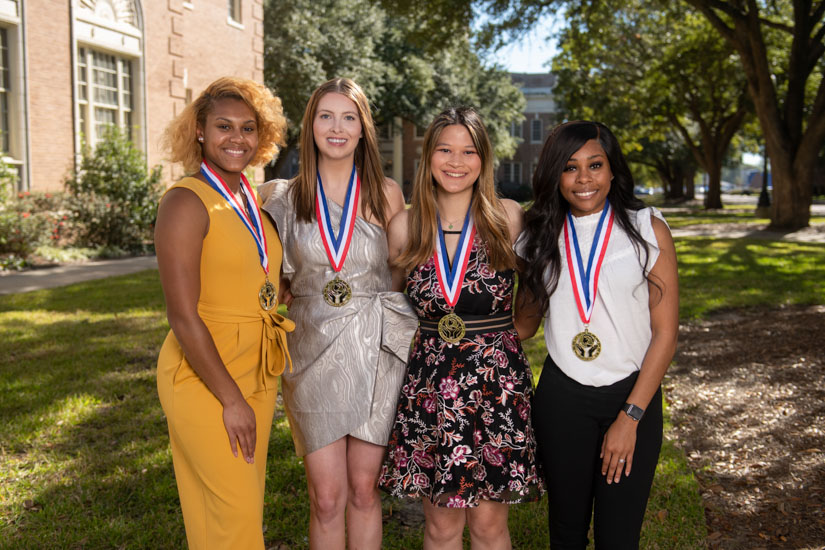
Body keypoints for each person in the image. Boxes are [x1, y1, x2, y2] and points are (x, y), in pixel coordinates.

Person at [259, 77, 416, 550]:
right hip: (310, 350)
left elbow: (400, 274)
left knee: (365, 491)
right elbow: (271, 275)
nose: (337, 127)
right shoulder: (280, 196)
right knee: (327, 498)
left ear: (364, 128)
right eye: (325, 116)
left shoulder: (386, 192)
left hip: (375, 351)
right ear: (310, 126)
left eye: (349, 117)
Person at [379, 106, 544, 550]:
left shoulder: (508, 218)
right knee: (441, 528)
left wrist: (509, 338)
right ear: (428, 157)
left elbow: (533, 293)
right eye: (445, 150)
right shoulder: (405, 226)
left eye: (468, 151)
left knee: (489, 528)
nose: (456, 161)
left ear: (484, 158)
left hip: (496, 386)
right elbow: (393, 307)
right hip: (430, 389)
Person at [516, 120, 679, 549]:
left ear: (612, 170)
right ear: (555, 174)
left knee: (618, 537)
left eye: (595, 165)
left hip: (631, 395)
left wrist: (630, 417)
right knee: (566, 530)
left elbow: (665, 334)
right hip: (562, 397)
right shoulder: (538, 236)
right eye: (570, 167)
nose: (584, 179)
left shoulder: (646, 228)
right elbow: (525, 325)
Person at [155, 77, 293, 549]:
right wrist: (230, 399)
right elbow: (182, 315)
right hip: (206, 375)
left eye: (248, 128)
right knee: (233, 522)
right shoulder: (185, 201)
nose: (237, 138)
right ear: (199, 131)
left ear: (263, 136)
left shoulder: (248, 199)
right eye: (223, 126)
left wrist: (279, 291)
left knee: (234, 518)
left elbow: (251, 274)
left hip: (256, 366)